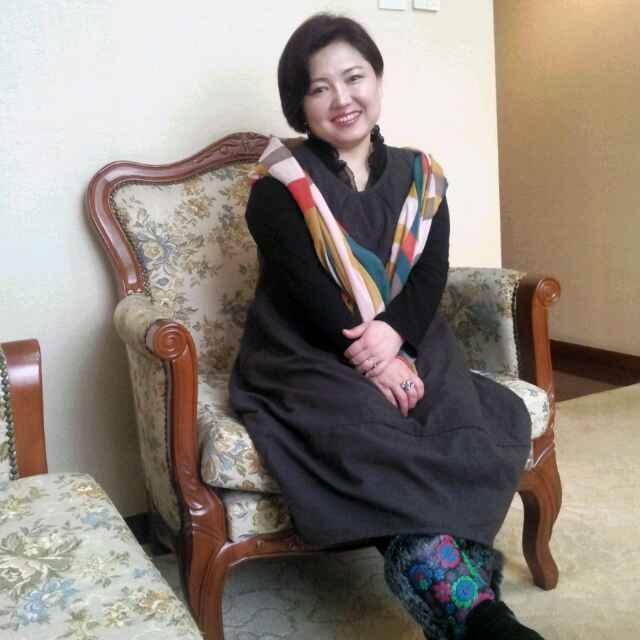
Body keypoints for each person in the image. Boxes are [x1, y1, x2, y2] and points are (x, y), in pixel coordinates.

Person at [229, 13, 544, 640]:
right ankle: (484, 621)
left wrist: (397, 338)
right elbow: (307, 291)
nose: (342, 99)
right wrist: (375, 360)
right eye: (319, 88)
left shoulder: (423, 177)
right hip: (307, 349)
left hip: (413, 338)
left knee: (465, 428)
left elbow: (430, 274)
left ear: (377, 79)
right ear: (299, 103)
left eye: (354, 78)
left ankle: (471, 618)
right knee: (371, 436)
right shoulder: (277, 187)